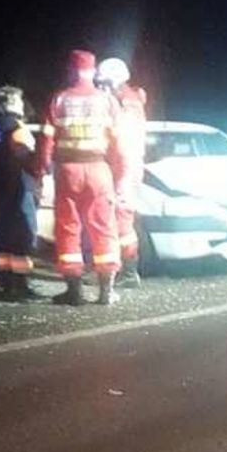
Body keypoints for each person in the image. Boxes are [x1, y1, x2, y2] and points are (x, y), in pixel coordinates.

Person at [36, 50, 124, 306]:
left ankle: (74, 291)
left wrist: (41, 170)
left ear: (70, 70)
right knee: (104, 227)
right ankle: (106, 291)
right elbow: (119, 145)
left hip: (68, 171)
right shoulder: (107, 101)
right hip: (99, 169)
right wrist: (118, 175)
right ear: (93, 71)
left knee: (68, 228)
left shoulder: (59, 99)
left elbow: (46, 141)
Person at [0, 86, 39, 300]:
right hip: (18, 187)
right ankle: (20, 283)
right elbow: (28, 158)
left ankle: (5, 281)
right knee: (23, 235)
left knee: (3, 238)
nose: (22, 104)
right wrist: (38, 172)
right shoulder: (17, 128)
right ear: (10, 103)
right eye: (19, 100)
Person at [96, 58, 148, 288]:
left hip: (124, 167)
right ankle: (123, 270)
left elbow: (121, 141)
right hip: (126, 166)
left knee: (122, 220)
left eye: (104, 83)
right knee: (119, 219)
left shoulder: (124, 104)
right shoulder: (131, 99)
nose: (101, 88)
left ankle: (128, 271)